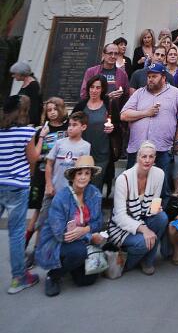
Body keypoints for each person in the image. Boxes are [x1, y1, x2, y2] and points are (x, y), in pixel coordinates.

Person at [36, 155, 104, 296]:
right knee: (78, 252)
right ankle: (53, 275)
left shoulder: (94, 193)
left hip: (79, 241)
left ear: (91, 176)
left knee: (87, 280)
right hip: (57, 242)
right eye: (79, 173)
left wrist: (85, 229)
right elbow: (61, 234)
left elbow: (98, 222)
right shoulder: (61, 197)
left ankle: (71, 265)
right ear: (73, 176)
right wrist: (89, 237)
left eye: (87, 173)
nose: (83, 177)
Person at [120, 62, 178, 197]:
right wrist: (146, 113)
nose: (150, 79)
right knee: (131, 188)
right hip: (138, 149)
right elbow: (124, 115)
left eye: (154, 76)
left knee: (161, 188)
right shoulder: (139, 93)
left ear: (163, 77)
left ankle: (157, 216)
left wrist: (177, 140)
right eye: (149, 76)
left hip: (162, 149)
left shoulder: (175, 93)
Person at [107, 141, 169, 273]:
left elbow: (154, 204)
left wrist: (155, 208)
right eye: (144, 156)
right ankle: (125, 263)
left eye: (151, 157)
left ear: (155, 158)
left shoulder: (159, 174)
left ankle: (148, 261)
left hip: (143, 218)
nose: (147, 160)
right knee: (142, 243)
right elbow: (119, 217)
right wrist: (144, 229)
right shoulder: (123, 179)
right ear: (137, 157)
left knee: (161, 217)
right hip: (121, 226)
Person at [0, 95, 39, 294]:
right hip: (17, 186)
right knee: (16, 234)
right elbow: (33, 158)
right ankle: (19, 278)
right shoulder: (26, 131)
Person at [26, 98, 68, 249]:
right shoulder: (42, 129)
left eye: (55, 109)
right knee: (38, 213)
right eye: (49, 110)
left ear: (61, 109)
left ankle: (42, 248)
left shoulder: (67, 127)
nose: (52, 113)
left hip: (59, 175)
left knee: (53, 213)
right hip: (42, 174)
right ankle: (28, 246)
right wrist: (42, 136)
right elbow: (34, 156)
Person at [73, 75, 121, 192]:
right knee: (80, 186)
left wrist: (112, 129)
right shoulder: (81, 106)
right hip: (82, 153)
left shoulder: (109, 105)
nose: (94, 90)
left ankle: (94, 209)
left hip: (102, 153)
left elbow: (118, 126)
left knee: (96, 187)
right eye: (92, 87)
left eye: (98, 88)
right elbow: (72, 125)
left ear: (103, 89)